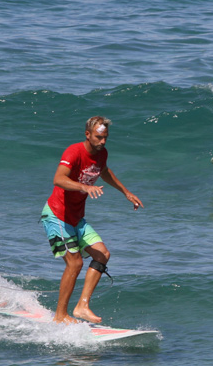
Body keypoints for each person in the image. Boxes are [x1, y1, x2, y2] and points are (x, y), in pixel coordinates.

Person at [40, 116, 143, 324]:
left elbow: (104, 171)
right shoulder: (74, 151)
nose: (102, 141)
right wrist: (84, 187)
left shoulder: (102, 153)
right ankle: (60, 316)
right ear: (87, 134)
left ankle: (82, 306)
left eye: (105, 138)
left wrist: (126, 192)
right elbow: (58, 179)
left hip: (76, 218)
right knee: (75, 263)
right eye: (98, 137)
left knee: (102, 254)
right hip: (57, 215)